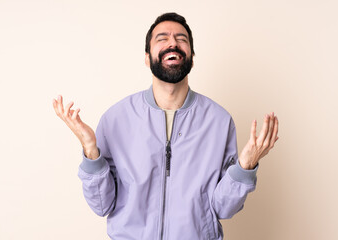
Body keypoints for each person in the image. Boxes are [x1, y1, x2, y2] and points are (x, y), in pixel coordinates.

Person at [52, 12, 279, 240]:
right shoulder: (115, 119)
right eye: (162, 38)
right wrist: (91, 151)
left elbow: (223, 208)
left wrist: (245, 166)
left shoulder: (219, 121)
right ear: (147, 57)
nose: (173, 43)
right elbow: (102, 205)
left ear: (191, 56)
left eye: (182, 39)